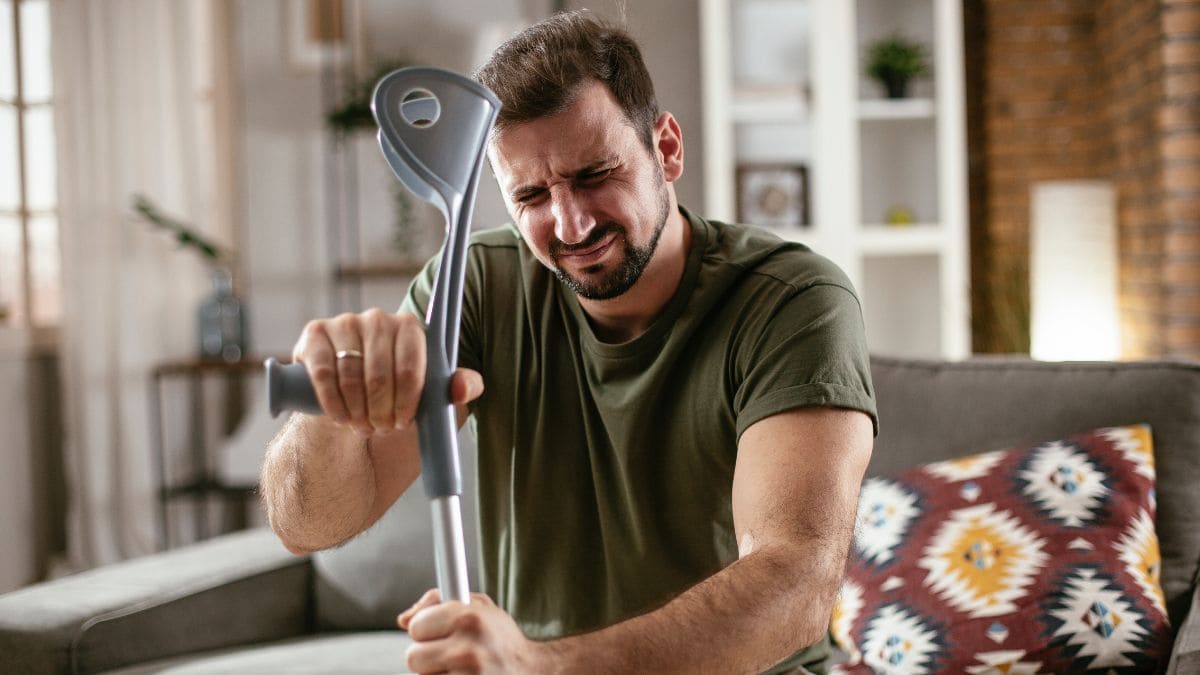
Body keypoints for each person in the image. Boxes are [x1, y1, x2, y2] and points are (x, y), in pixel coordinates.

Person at [261, 10, 876, 674]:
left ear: (666, 149)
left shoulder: (792, 301)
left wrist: (539, 664)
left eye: (594, 174)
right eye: (530, 194)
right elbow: (306, 525)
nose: (571, 222)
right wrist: (329, 405)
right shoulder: (473, 286)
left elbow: (795, 584)